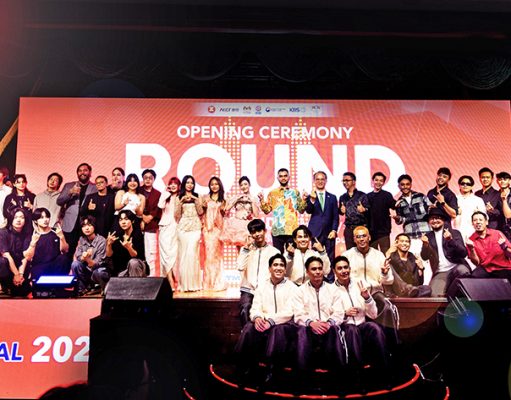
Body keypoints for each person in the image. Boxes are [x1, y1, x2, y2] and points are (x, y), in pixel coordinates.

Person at [234, 254, 298, 381]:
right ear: (269, 268)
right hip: (265, 321)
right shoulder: (262, 286)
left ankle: (271, 369)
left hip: (285, 323)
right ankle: (243, 365)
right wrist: (257, 318)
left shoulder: (292, 288)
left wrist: (271, 321)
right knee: (249, 327)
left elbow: (289, 311)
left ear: (285, 269)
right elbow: (255, 307)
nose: (278, 268)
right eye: (275, 265)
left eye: (281, 265)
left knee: (277, 330)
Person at [333, 256, 389, 377]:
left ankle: (384, 370)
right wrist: (344, 314)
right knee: (352, 330)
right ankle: (357, 374)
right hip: (344, 327)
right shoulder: (331, 290)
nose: (344, 271)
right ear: (334, 271)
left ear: (350, 268)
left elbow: (373, 314)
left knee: (375, 328)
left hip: (361, 325)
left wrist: (367, 298)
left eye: (346, 267)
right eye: (340, 268)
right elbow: (329, 317)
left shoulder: (359, 285)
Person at [293, 256, 346, 374]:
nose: (317, 272)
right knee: (301, 331)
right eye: (314, 269)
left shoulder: (333, 289)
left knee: (335, 329)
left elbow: (339, 312)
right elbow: (298, 314)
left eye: (320, 268)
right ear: (307, 272)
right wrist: (311, 323)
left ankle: (339, 375)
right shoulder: (300, 291)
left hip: (328, 327)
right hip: (309, 328)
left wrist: (328, 323)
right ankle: (302, 375)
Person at [237, 218, 280, 326]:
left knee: (268, 313)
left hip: (266, 289)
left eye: (259, 230)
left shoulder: (274, 252)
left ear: (265, 231)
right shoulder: (246, 250)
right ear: (250, 234)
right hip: (248, 289)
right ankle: (246, 333)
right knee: (245, 309)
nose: (257, 234)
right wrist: (246, 249)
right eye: (253, 232)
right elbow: (240, 267)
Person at [420, 209, 471, 297]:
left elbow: (463, 253)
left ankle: (456, 296)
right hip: (441, 272)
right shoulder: (428, 236)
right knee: (434, 296)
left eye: (437, 218)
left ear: (443, 220)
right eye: (432, 218)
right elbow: (424, 257)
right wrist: (425, 245)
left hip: (456, 267)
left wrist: (450, 240)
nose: (435, 220)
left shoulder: (454, 233)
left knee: (463, 271)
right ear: (429, 222)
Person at [93, 210, 147, 290]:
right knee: (101, 277)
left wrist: (129, 248)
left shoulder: (138, 234)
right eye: (121, 220)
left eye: (126, 219)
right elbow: (109, 255)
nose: (123, 222)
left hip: (137, 268)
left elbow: (137, 256)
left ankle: (136, 290)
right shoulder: (117, 235)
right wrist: (109, 244)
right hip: (122, 272)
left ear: (132, 221)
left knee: (133, 262)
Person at [259, 168, 306, 253]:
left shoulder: (295, 192)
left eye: (285, 176)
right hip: (277, 230)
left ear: (289, 177)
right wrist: (262, 200)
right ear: (277, 178)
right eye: (281, 176)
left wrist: (304, 200)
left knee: (292, 255)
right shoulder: (273, 193)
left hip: (292, 230)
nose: (283, 178)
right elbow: (267, 210)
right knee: (278, 255)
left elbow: (301, 210)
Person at [57, 163, 97, 257]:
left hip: (87, 224)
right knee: (66, 253)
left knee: (87, 253)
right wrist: (70, 192)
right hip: (70, 224)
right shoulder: (69, 185)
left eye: (85, 170)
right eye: (80, 171)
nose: (82, 172)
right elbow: (59, 201)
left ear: (90, 173)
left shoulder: (95, 187)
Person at [174, 175, 203, 292]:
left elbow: (200, 212)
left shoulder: (198, 196)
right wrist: (181, 202)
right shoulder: (179, 197)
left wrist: (196, 200)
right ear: (184, 184)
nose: (190, 185)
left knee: (192, 254)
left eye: (192, 183)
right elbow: (177, 215)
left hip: (195, 228)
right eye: (187, 183)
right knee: (184, 255)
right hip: (183, 228)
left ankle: (195, 284)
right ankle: (184, 285)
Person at [25, 208, 70, 281]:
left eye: (47, 217)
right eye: (42, 217)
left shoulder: (56, 232)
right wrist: (33, 243)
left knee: (63, 258)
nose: (45, 220)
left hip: (55, 265)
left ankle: (58, 284)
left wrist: (62, 237)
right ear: (35, 221)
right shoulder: (32, 236)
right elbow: (28, 257)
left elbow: (65, 250)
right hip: (40, 266)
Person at [304, 171, 339, 265]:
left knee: (330, 258)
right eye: (317, 179)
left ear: (326, 181)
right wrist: (312, 200)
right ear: (314, 181)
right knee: (315, 259)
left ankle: (330, 275)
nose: (320, 181)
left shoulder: (332, 197)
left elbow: (335, 216)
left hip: (329, 233)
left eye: (322, 179)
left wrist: (334, 230)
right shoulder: (310, 197)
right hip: (315, 232)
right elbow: (308, 211)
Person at [466, 211, 511, 282]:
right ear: (472, 223)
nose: (478, 222)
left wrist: (504, 247)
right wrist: (472, 249)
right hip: (486, 268)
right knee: (474, 277)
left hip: (503, 267)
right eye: (475, 220)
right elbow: (476, 263)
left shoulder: (497, 233)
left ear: (486, 222)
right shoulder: (471, 240)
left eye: (480, 220)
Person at [393, 174, 432, 254]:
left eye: (407, 184)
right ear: (399, 186)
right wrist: (397, 218)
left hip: (426, 234)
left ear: (411, 185)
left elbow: (431, 211)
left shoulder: (421, 196)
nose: (405, 187)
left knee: (429, 259)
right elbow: (401, 220)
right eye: (402, 185)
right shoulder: (399, 202)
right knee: (414, 259)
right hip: (410, 236)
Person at [221, 176, 260, 249]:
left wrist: (251, 201)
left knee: (249, 248)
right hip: (237, 225)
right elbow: (227, 209)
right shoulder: (236, 197)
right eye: (241, 185)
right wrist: (236, 200)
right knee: (239, 249)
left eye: (245, 184)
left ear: (249, 185)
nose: (244, 186)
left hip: (248, 225)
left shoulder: (254, 198)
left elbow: (256, 215)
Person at [71, 215, 106, 296]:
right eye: (84, 226)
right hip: (87, 271)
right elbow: (79, 257)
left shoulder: (101, 240)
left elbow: (98, 263)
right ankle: (82, 288)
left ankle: (102, 288)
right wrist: (83, 257)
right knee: (75, 264)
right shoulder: (81, 239)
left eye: (89, 225)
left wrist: (87, 259)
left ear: (94, 226)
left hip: (98, 271)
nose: (86, 228)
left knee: (99, 272)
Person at [0, 208, 32, 296]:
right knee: (3, 261)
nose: (18, 220)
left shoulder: (27, 234)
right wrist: (16, 274)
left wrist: (20, 275)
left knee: (22, 291)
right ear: (11, 219)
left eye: (22, 217)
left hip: (20, 267)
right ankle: (3, 286)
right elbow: (6, 255)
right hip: (7, 267)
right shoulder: (3, 232)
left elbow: (25, 256)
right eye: (15, 217)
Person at [201, 176, 226, 291]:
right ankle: (208, 283)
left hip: (218, 230)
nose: (214, 186)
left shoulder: (224, 198)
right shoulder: (205, 198)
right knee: (208, 256)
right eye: (212, 184)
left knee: (217, 256)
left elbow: (225, 214)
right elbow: (202, 213)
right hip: (208, 230)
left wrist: (222, 208)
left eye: (216, 184)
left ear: (219, 185)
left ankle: (217, 282)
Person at [158, 177, 180, 287]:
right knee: (165, 254)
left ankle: (175, 279)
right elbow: (160, 205)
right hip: (165, 227)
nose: (173, 185)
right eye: (171, 184)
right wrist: (165, 193)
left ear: (179, 186)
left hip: (177, 227)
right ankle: (169, 279)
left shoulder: (181, 197)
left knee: (174, 254)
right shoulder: (166, 196)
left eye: (175, 184)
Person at [339, 172, 369, 250]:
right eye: (343, 181)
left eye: (347, 180)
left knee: (362, 250)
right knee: (350, 252)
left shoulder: (362, 195)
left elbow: (369, 211)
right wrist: (341, 211)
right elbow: (340, 211)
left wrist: (364, 210)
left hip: (361, 228)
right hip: (349, 229)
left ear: (354, 182)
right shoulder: (342, 197)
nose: (345, 182)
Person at [367, 172, 395, 254]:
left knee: (386, 254)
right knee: (373, 255)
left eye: (381, 181)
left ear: (383, 183)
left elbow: (394, 205)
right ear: (373, 181)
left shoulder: (387, 195)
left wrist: (398, 204)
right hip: (371, 232)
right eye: (376, 180)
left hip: (384, 231)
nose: (378, 182)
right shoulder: (367, 196)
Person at [140, 169, 162, 277]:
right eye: (145, 178)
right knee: (140, 251)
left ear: (154, 179)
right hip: (138, 225)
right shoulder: (138, 191)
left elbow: (159, 209)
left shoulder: (158, 194)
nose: (148, 180)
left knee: (151, 252)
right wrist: (142, 217)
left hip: (152, 226)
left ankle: (152, 275)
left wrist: (150, 216)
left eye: (150, 178)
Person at [454, 175, 486, 242]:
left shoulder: (478, 200)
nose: (465, 185)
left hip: (473, 230)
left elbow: (484, 217)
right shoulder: (454, 199)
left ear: (472, 186)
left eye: (468, 184)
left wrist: (478, 214)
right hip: (457, 230)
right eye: (463, 183)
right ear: (459, 185)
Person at [497, 171, 511, 240]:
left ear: (509, 181)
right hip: (500, 230)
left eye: (505, 179)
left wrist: (504, 200)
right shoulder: (495, 195)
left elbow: (508, 215)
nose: (502, 181)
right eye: (500, 179)